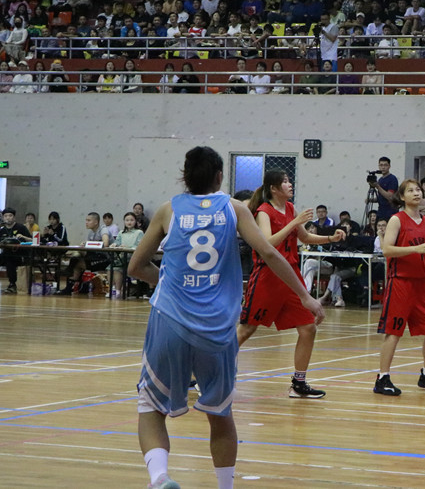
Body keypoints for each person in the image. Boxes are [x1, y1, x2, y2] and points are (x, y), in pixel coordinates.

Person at [127, 146, 324, 489]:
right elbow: (268, 252)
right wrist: (305, 296)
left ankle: (159, 477)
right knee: (220, 413)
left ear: (185, 176)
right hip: (216, 327)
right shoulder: (234, 209)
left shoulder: (168, 210)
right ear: (220, 176)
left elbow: (135, 267)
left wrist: (169, 281)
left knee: (150, 407)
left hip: (169, 320)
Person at [238, 170, 343, 398]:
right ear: (274, 188)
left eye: (289, 180)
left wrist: (330, 238)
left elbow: (304, 238)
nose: (290, 184)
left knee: (308, 328)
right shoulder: (263, 211)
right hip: (268, 276)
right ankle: (209, 373)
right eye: (284, 182)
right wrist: (294, 223)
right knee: (246, 329)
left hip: (291, 276)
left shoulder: (290, 208)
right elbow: (268, 244)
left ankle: (299, 383)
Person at [374, 179, 425, 396]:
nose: (416, 193)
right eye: (410, 190)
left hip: (424, 283)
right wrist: (415, 249)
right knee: (394, 331)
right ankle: (382, 378)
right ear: (402, 196)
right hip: (401, 282)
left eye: (418, 190)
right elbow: (387, 250)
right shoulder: (396, 220)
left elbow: (424, 249)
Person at [0, 208, 32, 294]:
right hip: (5, 254)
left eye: (10, 216)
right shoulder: (2, 230)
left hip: (19, 255)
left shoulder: (21, 227)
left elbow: (31, 240)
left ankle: (12, 284)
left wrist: (23, 236)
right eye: (5, 216)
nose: (8, 218)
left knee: (10, 260)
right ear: (3, 218)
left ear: (14, 217)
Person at [109, 212, 144, 298]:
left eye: (132, 220)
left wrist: (128, 247)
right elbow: (117, 242)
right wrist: (114, 245)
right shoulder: (121, 232)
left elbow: (139, 246)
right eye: (127, 220)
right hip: (122, 257)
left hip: (133, 258)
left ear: (135, 221)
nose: (129, 222)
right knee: (110, 268)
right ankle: (114, 290)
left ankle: (118, 291)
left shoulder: (139, 232)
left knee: (118, 268)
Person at [369, 156, 398, 221]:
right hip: (381, 212)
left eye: (385, 165)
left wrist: (378, 186)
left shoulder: (392, 179)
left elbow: (390, 197)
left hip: (390, 212)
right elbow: (381, 197)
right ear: (379, 166)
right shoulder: (380, 180)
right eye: (381, 165)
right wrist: (371, 200)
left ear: (389, 166)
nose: (383, 167)